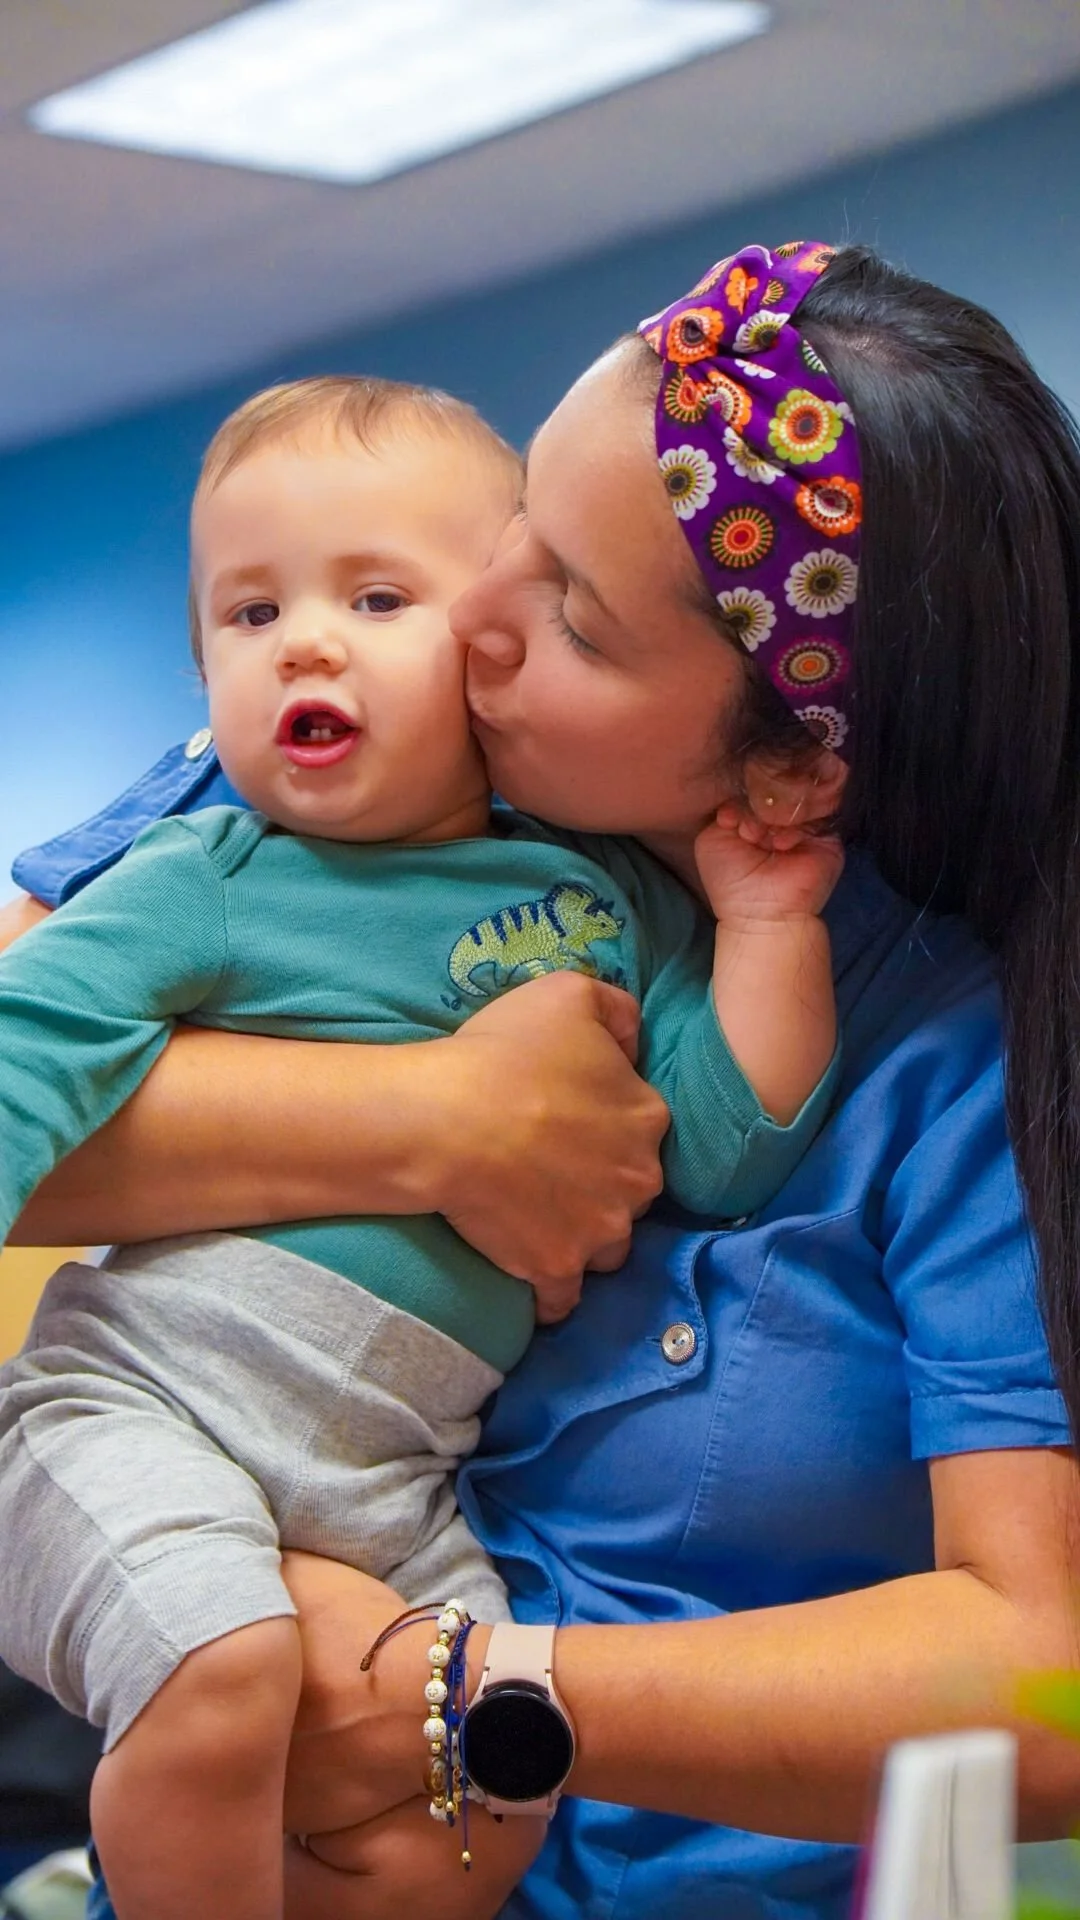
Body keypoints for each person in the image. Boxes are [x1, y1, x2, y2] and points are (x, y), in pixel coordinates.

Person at [4, 238, 1080, 1920]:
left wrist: (475, 1687)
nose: (465, 621)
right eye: (520, 528)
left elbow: (1047, 1683)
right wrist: (433, 1121)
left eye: (568, 608)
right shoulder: (322, 746)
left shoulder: (959, 1065)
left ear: (792, 768)